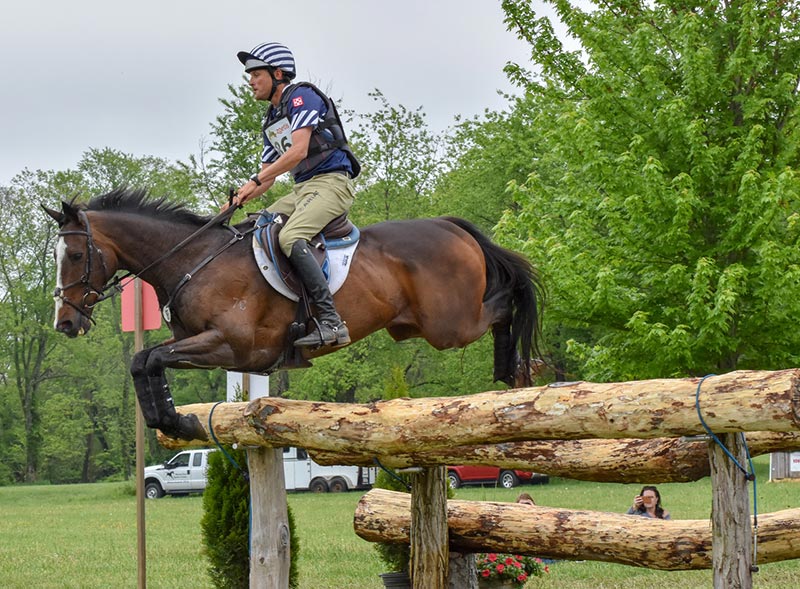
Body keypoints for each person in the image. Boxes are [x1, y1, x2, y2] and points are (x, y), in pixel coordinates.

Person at [226, 41, 360, 348]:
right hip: (302, 190)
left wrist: (255, 179)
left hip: (332, 184)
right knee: (256, 224)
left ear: (277, 74)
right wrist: (232, 204)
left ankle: (330, 322)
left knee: (290, 237)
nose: (250, 81)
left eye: (256, 74)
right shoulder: (272, 119)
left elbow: (298, 151)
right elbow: (267, 179)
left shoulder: (302, 97)